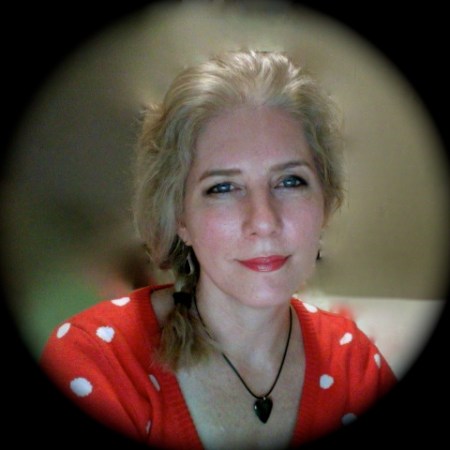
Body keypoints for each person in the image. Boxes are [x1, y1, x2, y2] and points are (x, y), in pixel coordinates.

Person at [40, 50, 396, 449]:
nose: (264, 220)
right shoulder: (96, 360)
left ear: (325, 204)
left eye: (290, 181)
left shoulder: (353, 361)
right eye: (223, 188)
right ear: (180, 218)